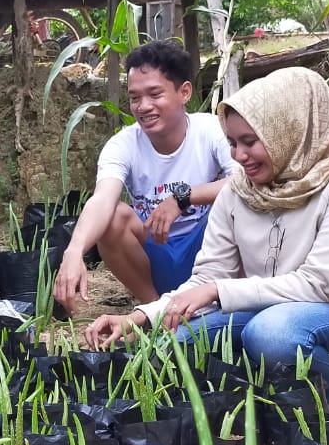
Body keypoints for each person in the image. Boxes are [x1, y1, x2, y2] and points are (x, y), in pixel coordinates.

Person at [83, 67, 329, 413]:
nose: (238, 156)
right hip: (263, 312)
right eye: (233, 143)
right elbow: (205, 278)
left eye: (250, 142)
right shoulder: (240, 192)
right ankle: (271, 399)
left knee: (272, 335)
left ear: (287, 131)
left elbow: (319, 285)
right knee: (176, 342)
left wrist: (220, 292)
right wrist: (139, 317)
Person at [53, 40, 236, 316]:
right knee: (113, 217)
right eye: (135, 97)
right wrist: (74, 251)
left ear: (184, 92)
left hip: (208, 254)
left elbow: (246, 184)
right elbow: (102, 199)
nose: (143, 106)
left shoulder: (210, 130)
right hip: (154, 257)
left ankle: (224, 299)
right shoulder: (123, 145)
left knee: (240, 206)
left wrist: (183, 197)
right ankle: (154, 311)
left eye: (155, 94)